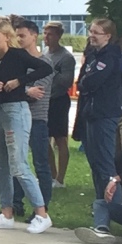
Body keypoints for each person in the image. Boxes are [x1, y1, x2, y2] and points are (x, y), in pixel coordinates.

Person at [0, 19, 53, 233]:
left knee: (19, 165)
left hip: (15, 111)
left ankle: (41, 213)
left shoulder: (17, 55)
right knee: (1, 166)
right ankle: (6, 212)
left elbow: (45, 68)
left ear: (6, 37)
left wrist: (19, 81)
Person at [76, 18, 122, 209]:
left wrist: (86, 82)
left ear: (108, 36)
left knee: (105, 163)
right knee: (94, 162)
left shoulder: (109, 56)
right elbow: (81, 81)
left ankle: (115, 207)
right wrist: (85, 81)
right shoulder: (92, 55)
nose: (92, 36)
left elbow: (92, 82)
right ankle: (101, 203)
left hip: (104, 113)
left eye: (97, 33)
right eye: (91, 31)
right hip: (90, 112)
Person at [12, 18, 54, 217]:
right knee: (16, 161)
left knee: (40, 164)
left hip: (37, 118)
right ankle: (15, 203)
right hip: (17, 117)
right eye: (16, 36)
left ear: (34, 36)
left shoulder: (44, 63)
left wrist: (19, 89)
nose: (19, 39)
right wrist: (24, 90)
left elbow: (38, 93)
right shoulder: (15, 60)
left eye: (22, 35)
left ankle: (42, 207)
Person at [41, 22, 76, 184]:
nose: (46, 37)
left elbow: (67, 81)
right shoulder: (44, 54)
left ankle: (60, 178)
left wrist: (51, 70)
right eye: (45, 33)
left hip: (59, 100)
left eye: (50, 34)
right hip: (44, 100)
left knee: (60, 138)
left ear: (58, 36)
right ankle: (52, 174)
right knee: (44, 138)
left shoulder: (66, 57)